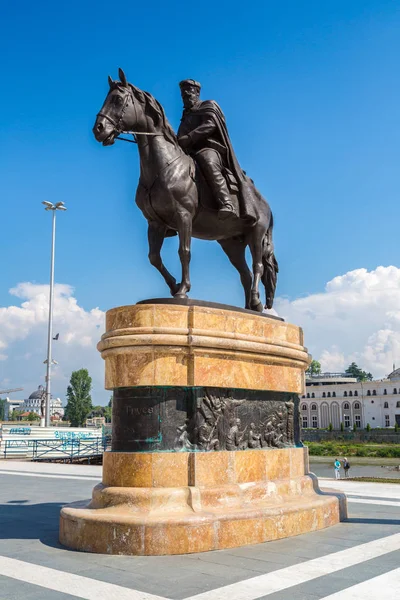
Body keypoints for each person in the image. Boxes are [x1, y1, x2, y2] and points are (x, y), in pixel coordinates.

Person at [177, 79, 259, 224]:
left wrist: (189, 138)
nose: (186, 97)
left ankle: (226, 203)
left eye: (189, 94)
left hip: (209, 149)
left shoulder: (208, 105)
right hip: (190, 152)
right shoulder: (186, 116)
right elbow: (179, 137)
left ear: (197, 92)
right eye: (183, 95)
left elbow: (211, 124)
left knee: (208, 161)